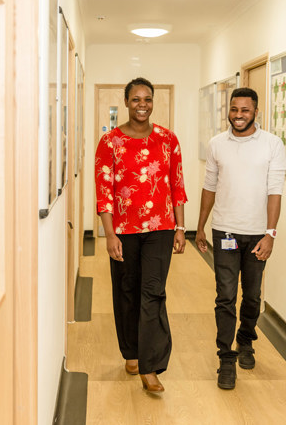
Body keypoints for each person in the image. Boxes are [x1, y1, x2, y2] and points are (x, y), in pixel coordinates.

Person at [95, 77, 187, 394]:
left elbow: (177, 185)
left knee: (154, 293)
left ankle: (151, 366)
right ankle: (131, 352)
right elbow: (104, 191)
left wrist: (180, 226)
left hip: (160, 229)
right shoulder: (110, 142)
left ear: (153, 102)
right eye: (136, 99)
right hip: (124, 231)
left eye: (147, 99)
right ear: (126, 102)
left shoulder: (168, 140)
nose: (142, 105)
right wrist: (109, 235)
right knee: (127, 292)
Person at [195, 87, 286, 390]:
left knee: (253, 295)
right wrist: (200, 226)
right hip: (226, 232)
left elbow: (275, 191)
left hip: (258, 233)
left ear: (256, 112)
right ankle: (226, 358)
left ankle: (246, 338)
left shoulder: (272, 144)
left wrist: (271, 234)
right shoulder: (217, 144)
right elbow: (209, 186)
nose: (238, 116)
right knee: (225, 295)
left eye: (245, 110)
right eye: (234, 110)